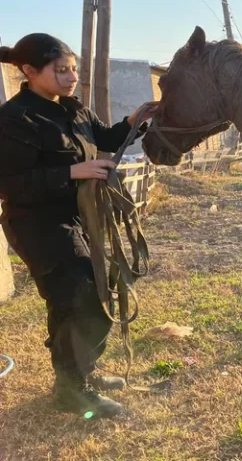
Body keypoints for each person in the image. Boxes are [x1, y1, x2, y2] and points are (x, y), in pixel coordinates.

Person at [0, 34, 157, 418]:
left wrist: (134, 122)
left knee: (74, 296)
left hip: (77, 219)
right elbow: (9, 184)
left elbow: (104, 137)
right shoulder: (16, 118)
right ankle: (73, 390)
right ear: (29, 71)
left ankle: (78, 374)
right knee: (83, 294)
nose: (72, 78)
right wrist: (73, 171)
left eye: (74, 69)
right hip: (38, 224)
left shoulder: (74, 110)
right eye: (62, 70)